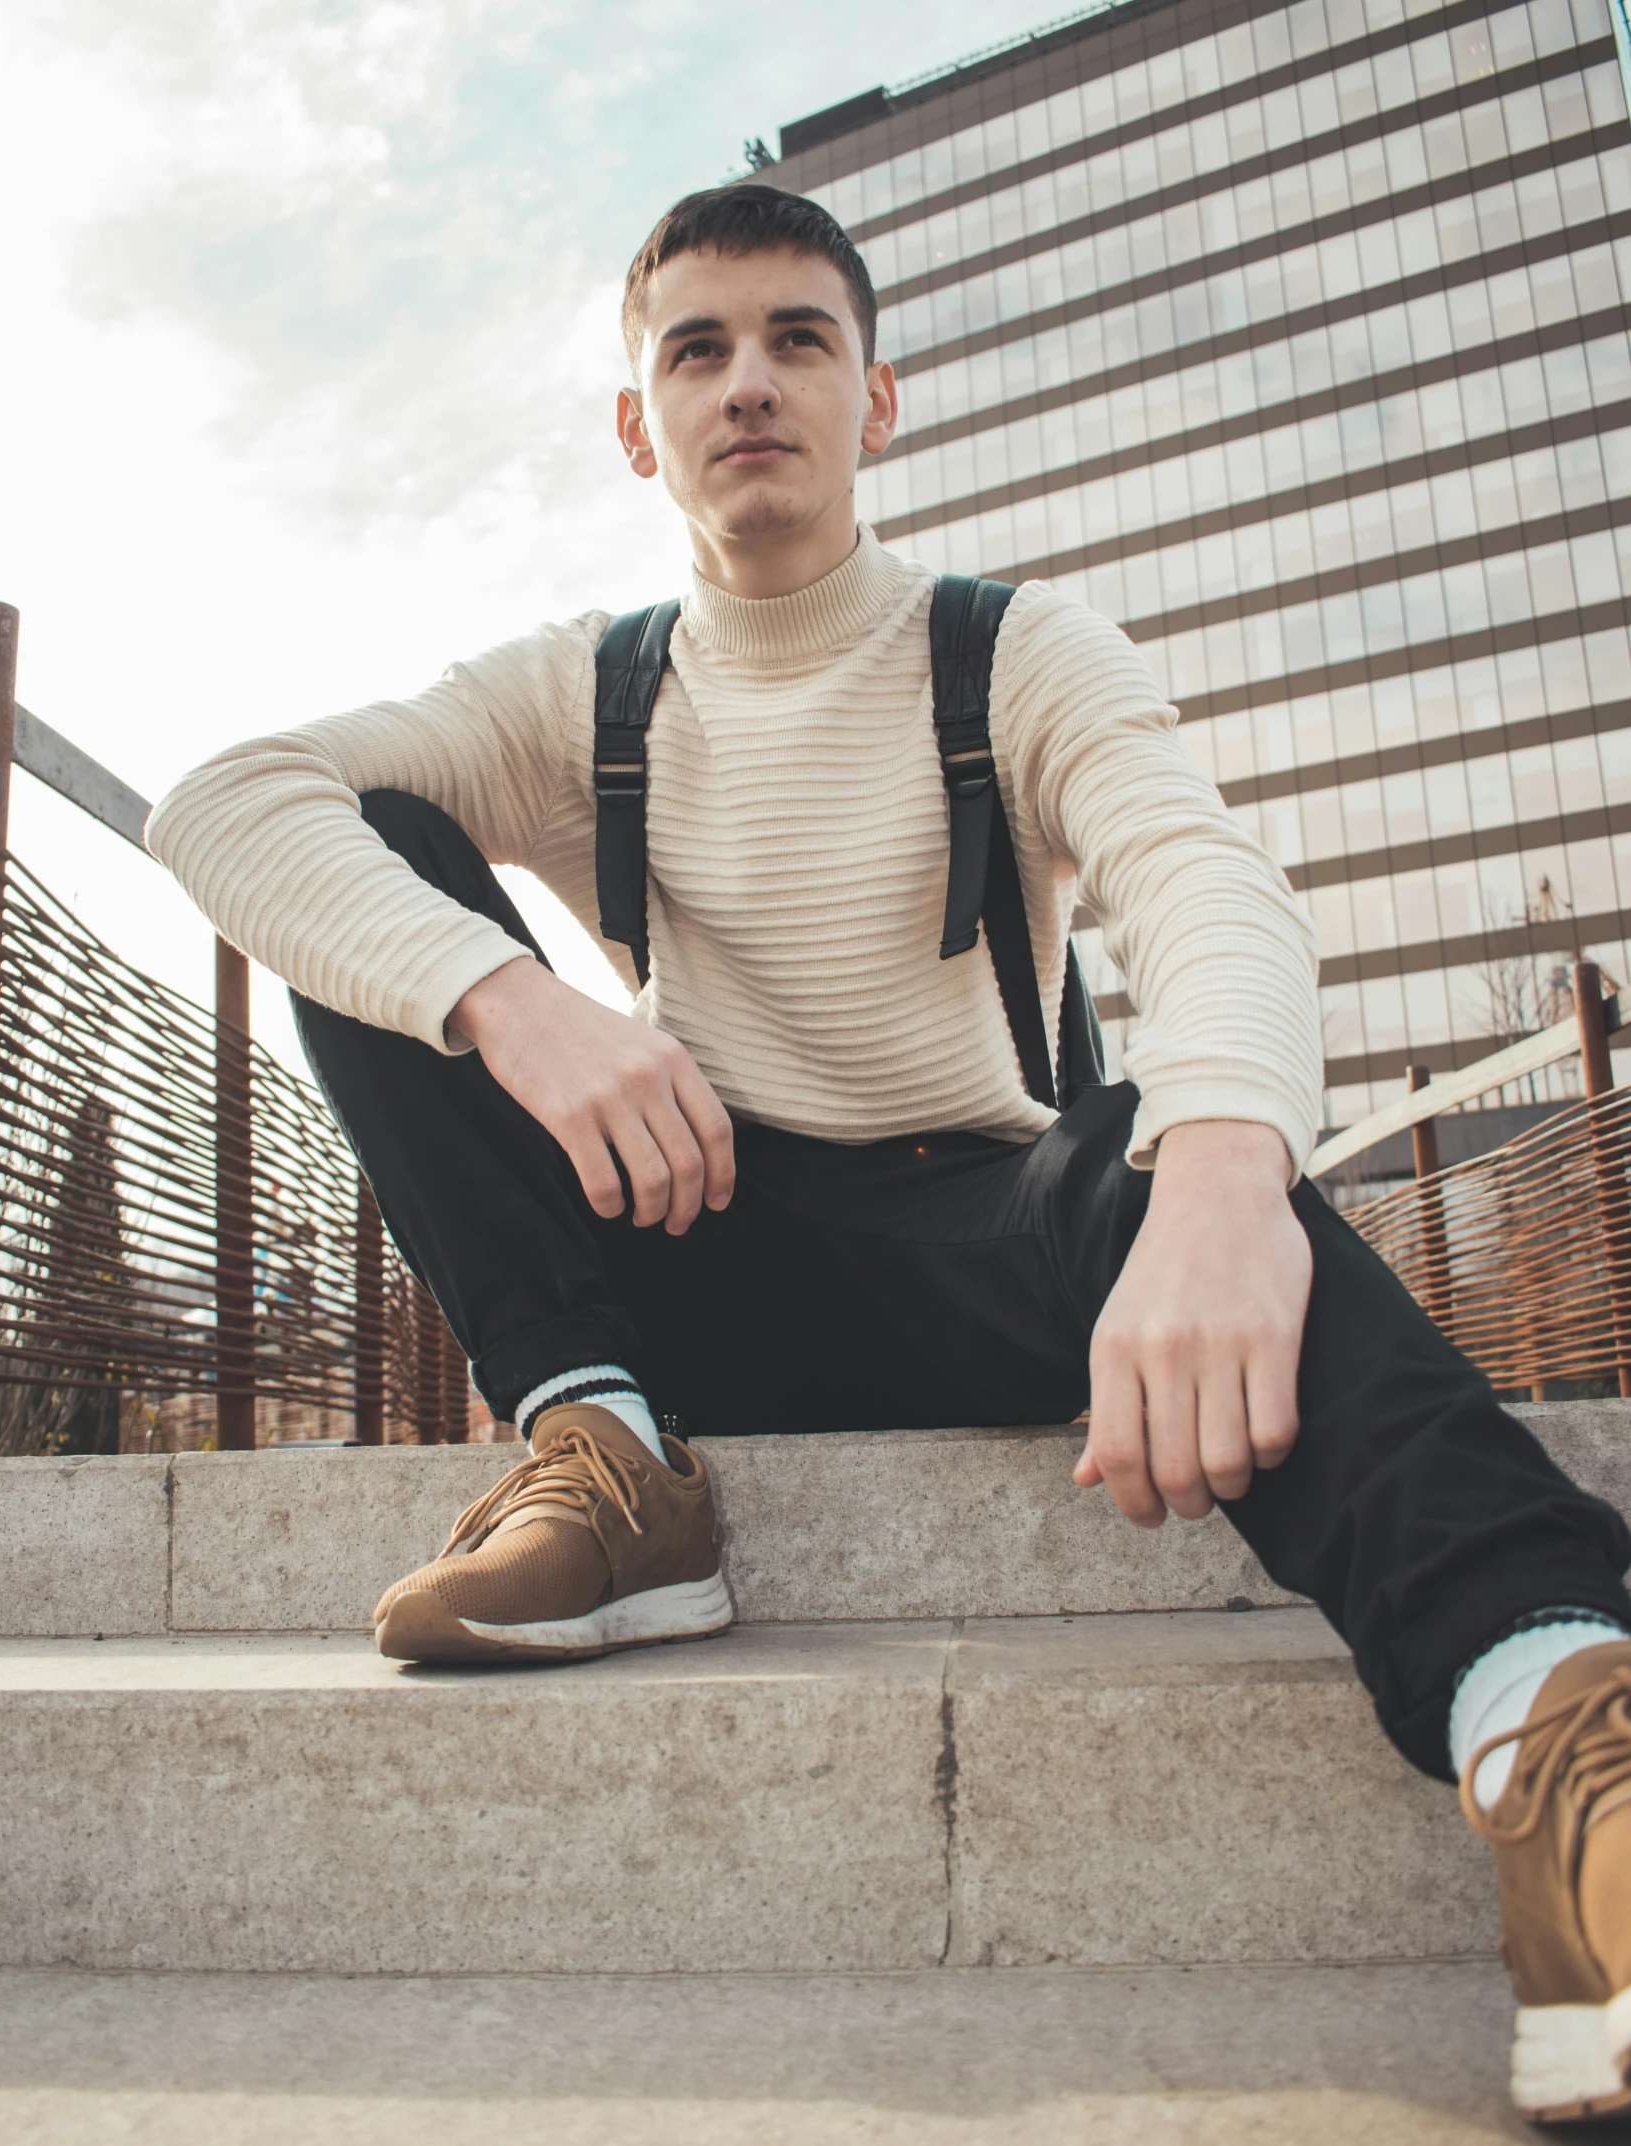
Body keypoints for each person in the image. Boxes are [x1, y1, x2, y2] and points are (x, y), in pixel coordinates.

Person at [147, 183, 1631, 2124]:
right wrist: (522, 1001)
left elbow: (1209, 886)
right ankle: (603, 1448)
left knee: (1154, 1170)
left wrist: (1218, 1182)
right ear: (638, 421)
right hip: (701, 1232)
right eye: (698, 347)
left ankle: (1560, 1734)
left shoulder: (1007, 650)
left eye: (798, 339)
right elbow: (225, 799)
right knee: (372, 870)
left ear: (879, 399)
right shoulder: (580, 691)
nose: (748, 381)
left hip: (994, 1226)